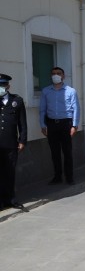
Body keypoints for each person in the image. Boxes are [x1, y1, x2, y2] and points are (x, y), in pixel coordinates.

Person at [39, 67, 80, 184]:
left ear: (63, 76)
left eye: (58, 73)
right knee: (54, 152)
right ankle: (57, 176)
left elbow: (76, 108)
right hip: (51, 124)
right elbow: (42, 109)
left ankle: (69, 177)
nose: (56, 75)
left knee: (67, 152)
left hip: (66, 124)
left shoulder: (71, 91)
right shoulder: (46, 91)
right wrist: (42, 125)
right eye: (53, 74)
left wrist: (75, 125)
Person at [0, 74, 27, 210]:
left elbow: (22, 123)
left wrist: (22, 140)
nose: (1, 87)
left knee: (10, 172)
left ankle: (10, 199)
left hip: (10, 144)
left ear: (8, 86)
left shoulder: (17, 101)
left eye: (3, 85)